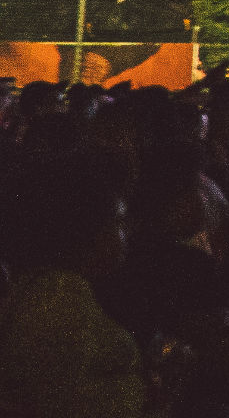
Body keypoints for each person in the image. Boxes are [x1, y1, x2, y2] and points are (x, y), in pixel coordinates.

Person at [0, 158, 146, 418]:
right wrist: (149, 391)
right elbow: (67, 403)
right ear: (88, 232)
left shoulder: (50, 289)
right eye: (119, 220)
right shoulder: (58, 299)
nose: (127, 231)